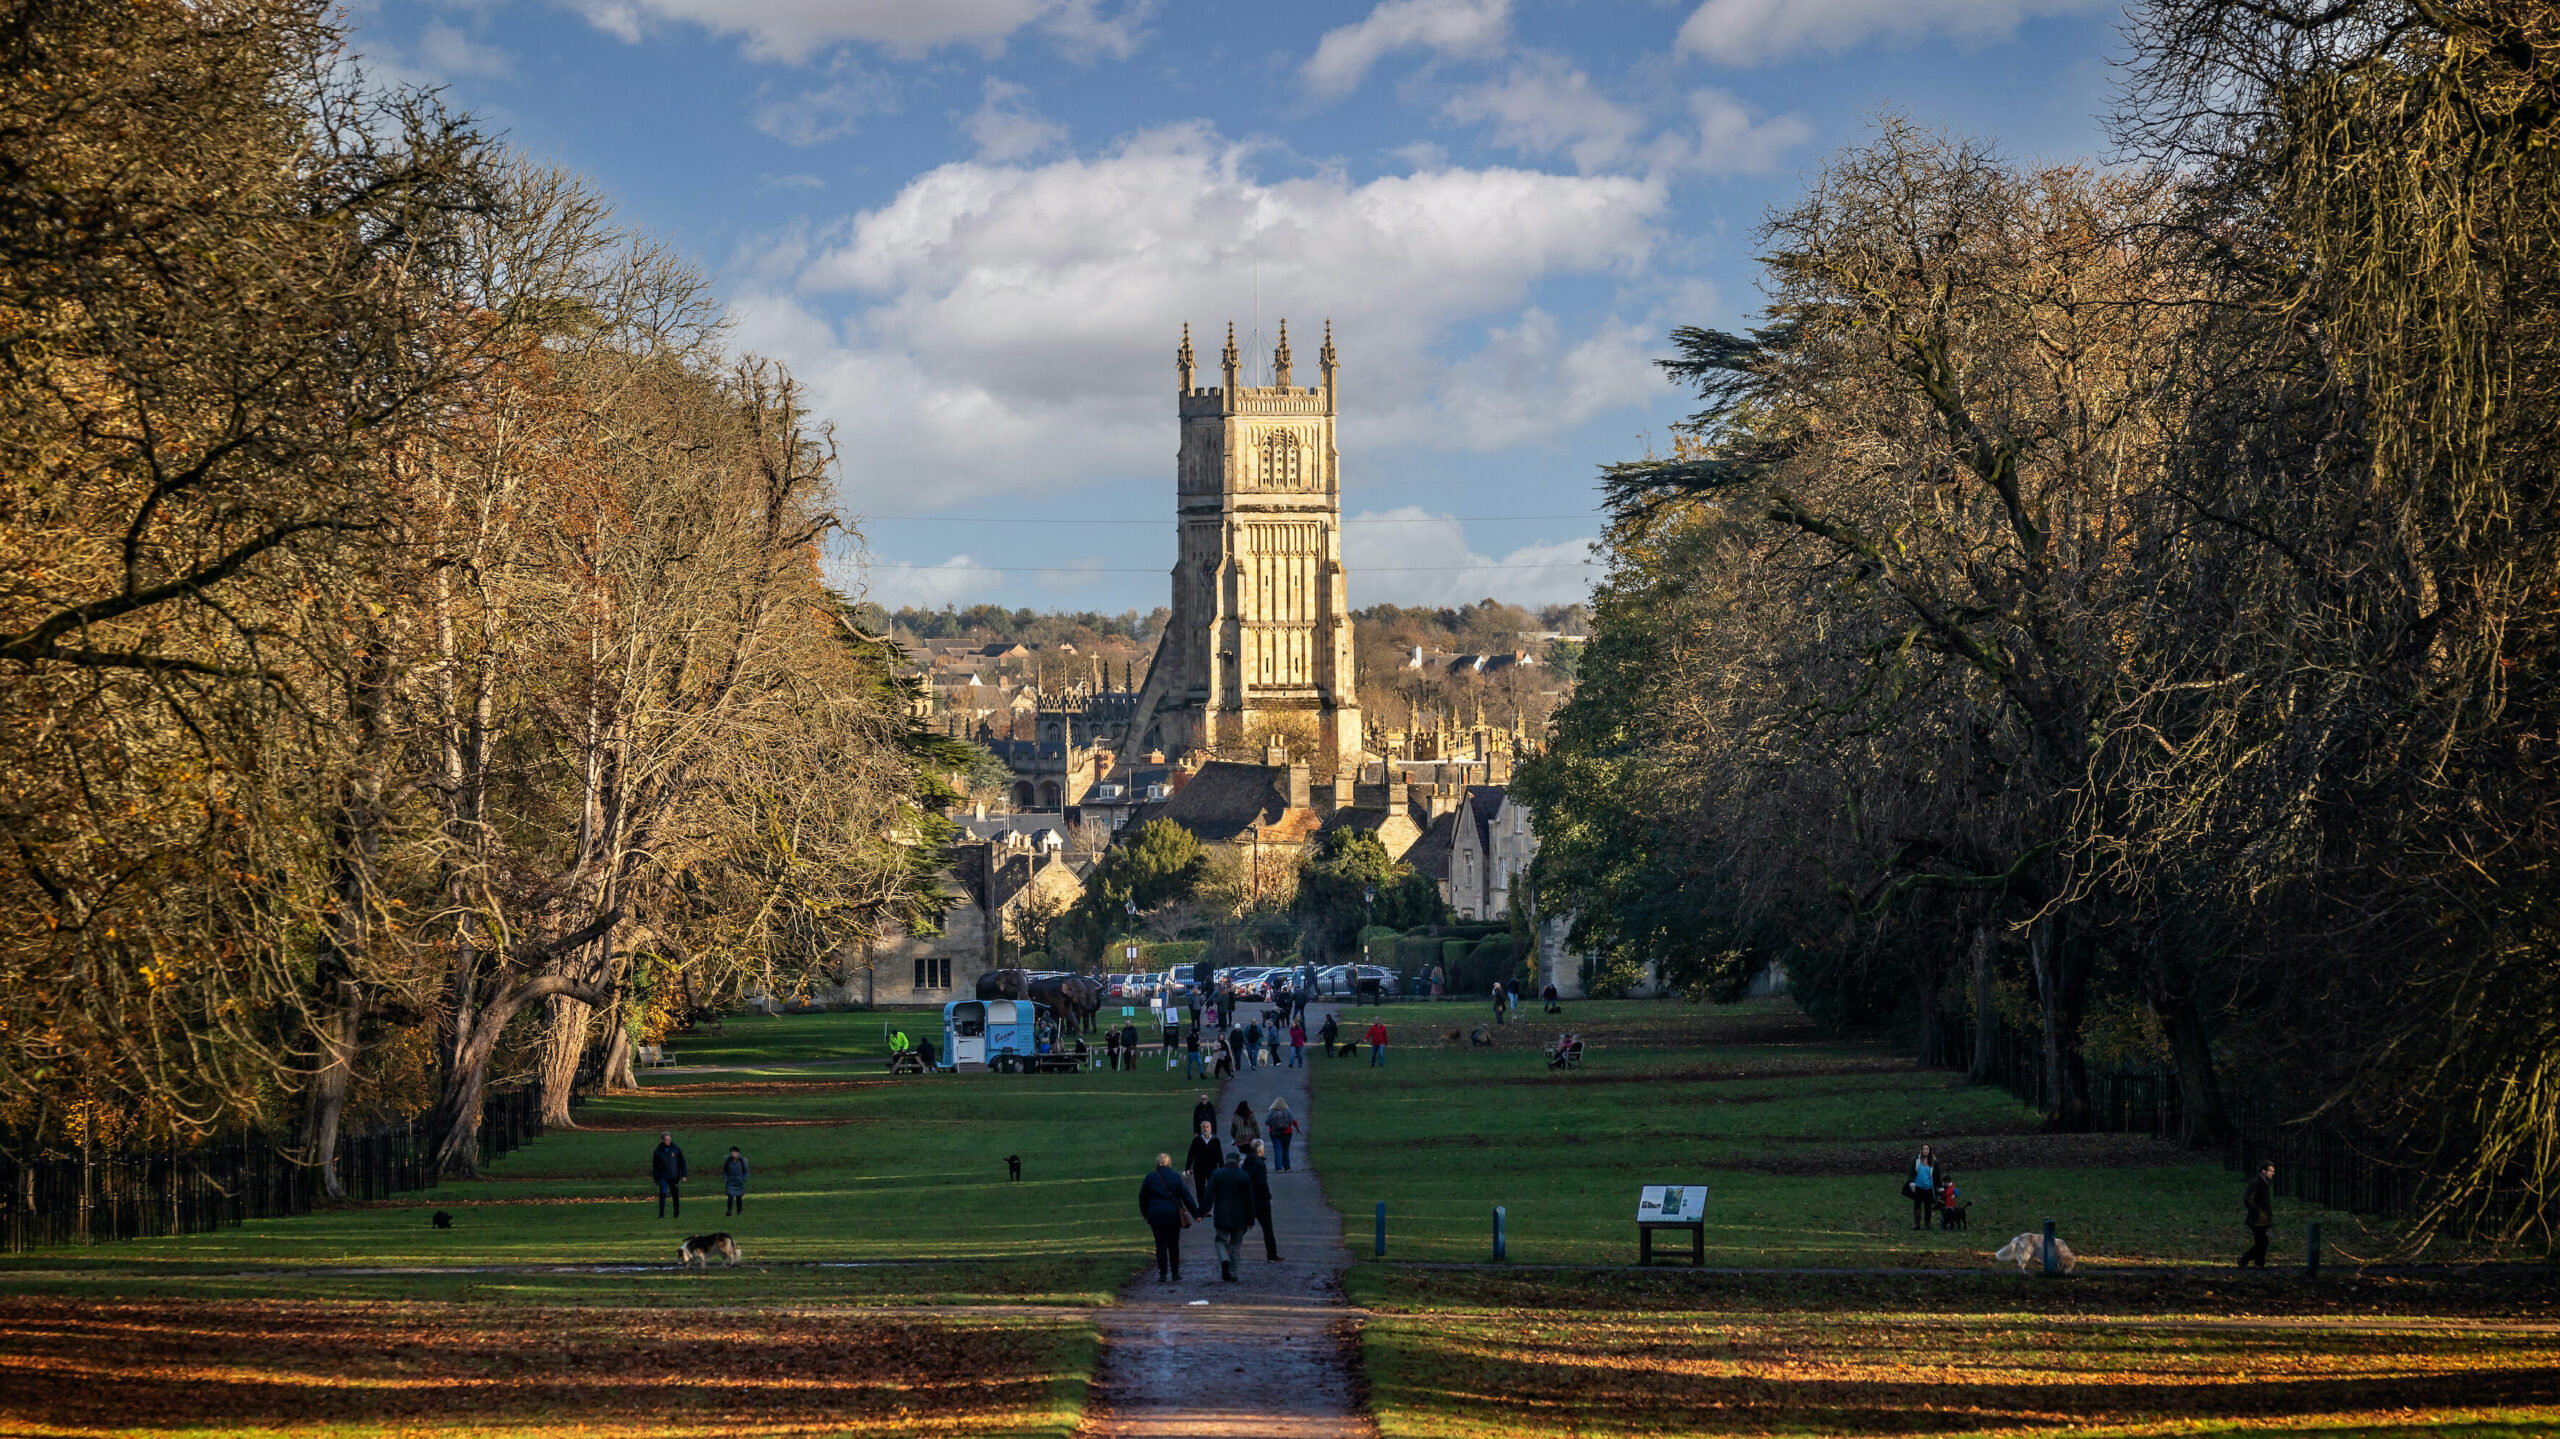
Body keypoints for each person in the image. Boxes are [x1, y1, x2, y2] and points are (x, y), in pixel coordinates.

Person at [1139, 1152, 1202, 1283]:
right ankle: (1175, 1273)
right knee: (1173, 1244)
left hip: (1156, 1214)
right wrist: (1196, 1214)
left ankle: (1162, 1273)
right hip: (1173, 1214)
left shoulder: (1150, 1177)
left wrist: (1145, 1213)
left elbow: (1142, 1197)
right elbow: (1187, 1197)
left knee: (1160, 1244)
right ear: (1169, 1163)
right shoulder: (1175, 1177)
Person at [1206, 1150, 1256, 1281]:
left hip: (1222, 1215)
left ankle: (1224, 1259)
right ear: (1238, 1162)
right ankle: (1233, 1273)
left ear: (1225, 1161)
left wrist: (1201, 1212)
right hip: (1240, 1217)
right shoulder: (1244, 1176)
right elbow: (1249, 1200)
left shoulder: (1217, 1174)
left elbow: (1208, 1194)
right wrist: (1251, 1220)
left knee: (1220, 1241)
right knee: (1236, 1246)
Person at [1244, 1140, 1280, 1262]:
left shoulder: (1245, 1163)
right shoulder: (1260, 1165)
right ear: (1260, 1150)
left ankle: (1230, 1243)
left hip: (1248, 1199)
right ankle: (1272, 1254)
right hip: (1261, 1201)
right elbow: (1262, 1184)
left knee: (1243, 1225)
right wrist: (1267, 1196)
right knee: (1267, 1228)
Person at [2240, 1162, 2275, 1268]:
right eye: (2271, 1171)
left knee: (2262, 1242)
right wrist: (2258, 1210)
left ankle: (2258, 1263)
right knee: (2262, 1242)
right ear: (2263, 1171)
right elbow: (2248, 1198)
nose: (2273, 1173)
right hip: (2257, 1219)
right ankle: (2246, 1260)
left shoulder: (2264, 1183)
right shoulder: (2257, 1183)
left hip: (2262, 1218)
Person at [650, 1132, 687, 1218]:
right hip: (663, 1176)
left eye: (669, 1140)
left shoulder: (676, 1149)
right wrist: (656, 1179)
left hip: (674, 1176)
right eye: (666, 1140)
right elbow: (655, 1166)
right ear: (662, 1140)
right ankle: (661, 1214)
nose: (668, 1141)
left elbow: (682, 1162)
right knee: (663, 1193)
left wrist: (684, 1175)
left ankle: (676, 1213)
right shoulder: (658, 1152)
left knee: (675, 1195)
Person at [1185, 1120, 1221, 1206]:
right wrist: (1187, 1168)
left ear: (1211, 1128)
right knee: (1200, 1188)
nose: (1205, 1129)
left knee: (1211, 1188)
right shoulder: (1196, 1140)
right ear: (1201, 1129)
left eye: (1207, 1127)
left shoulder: (1215, 1140)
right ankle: (1202, 1206)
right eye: (1204, 1127)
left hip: (1212, 1168)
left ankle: (1208, 1207)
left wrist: (1222, 1168)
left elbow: (1219, 1155)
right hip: (1199, 1168)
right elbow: (1191, 1155)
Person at [1904, 1144, 1938, 1230]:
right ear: (1921, 1150)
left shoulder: (1934, 1162)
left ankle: (1927, 1225)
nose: (1925, 1150)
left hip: (1929, 1188)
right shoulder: (1916, 1161)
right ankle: (1917, 1224)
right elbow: (1911, 1173)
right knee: (1917, 1206)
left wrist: (1940, 1187)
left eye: (1927, 1149)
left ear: (1929, 1151)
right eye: (1924, 1149)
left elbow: (1937, 1175)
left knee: (1928, 1207)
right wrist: (1912, 1183)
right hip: (1918, 1187)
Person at [1266, 1098, 1300, 1172]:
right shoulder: (1287, 1111)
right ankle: (1287, 1167)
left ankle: (1278, 1168)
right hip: (1287, 1133)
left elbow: (1267, 1122)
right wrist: (1297, 1128)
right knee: (1286, 1149)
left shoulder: (1272, 1112)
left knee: (1277, 1150)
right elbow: (1293, 1121)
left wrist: (1273, 1123)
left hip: (1275, 1133)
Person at [721, 1145, 749, 1216]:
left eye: (734, 1152)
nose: (733, 1154)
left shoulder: (742, 1161)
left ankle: (739, 1211)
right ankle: (729, 1210)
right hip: (730, 1181)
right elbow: (724, 1171)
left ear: (738, 1153)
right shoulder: (728, 1160)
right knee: (730, 1197)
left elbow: (746, 1172)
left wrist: (743, 1179)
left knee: (738, 1197)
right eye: (732, 1152)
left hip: (739, 1182)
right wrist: (725, 1178)